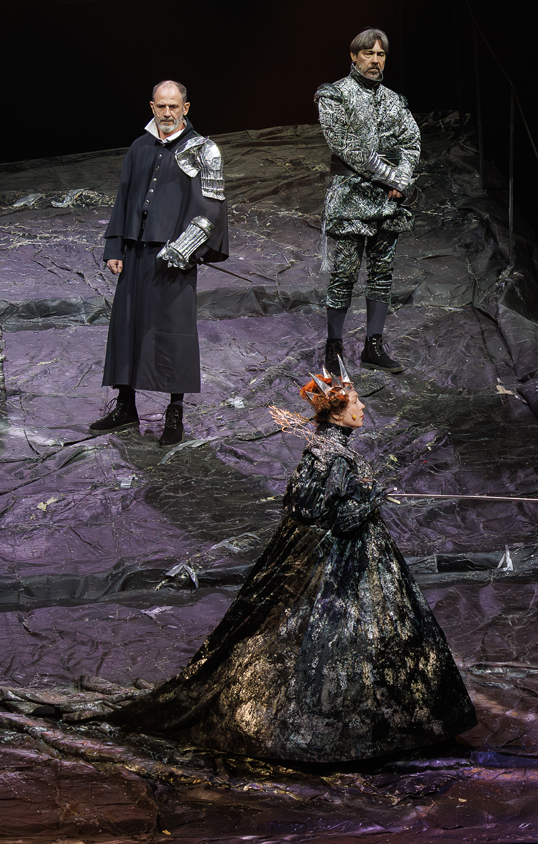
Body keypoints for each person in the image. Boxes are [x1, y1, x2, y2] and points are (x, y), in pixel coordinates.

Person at [98, 362, 478, 761]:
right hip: (337, 561)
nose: (363, 407)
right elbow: (319, 511)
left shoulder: (330, 449)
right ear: (337, 413)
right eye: (356, 401)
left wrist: (365, 492)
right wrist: (370, 498)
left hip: (351, 556)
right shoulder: (328, 454)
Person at [90, 80, 229, 447]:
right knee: (127, 328)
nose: (167, 113)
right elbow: (124, 198)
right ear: (152, 107)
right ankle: (126, 406)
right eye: (161, 106)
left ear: (186, 108)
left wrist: (184, 250)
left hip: (174, 257)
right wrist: (115, 247)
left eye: (174, 106)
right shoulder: (139, 147)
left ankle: (175, 411)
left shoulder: (202, 149)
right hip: (135, 253)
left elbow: (212, 209)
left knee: (173, 334)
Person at [315, 27, 421, 376]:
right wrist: (393, 178)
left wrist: (401, 181)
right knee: (344, 274)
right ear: (354, 56)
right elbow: (347, 147)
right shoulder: (334, 94)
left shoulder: (394, 100)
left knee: (382, 273)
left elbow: (411, 142)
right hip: (351, 199)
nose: (375, 60)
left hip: (387, 201)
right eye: (368, 53)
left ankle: (373, 345)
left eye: (381, 54)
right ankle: (334, 347)